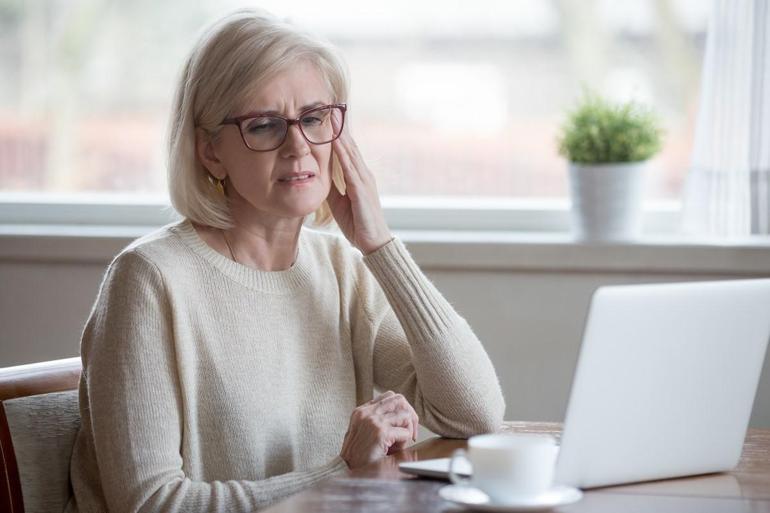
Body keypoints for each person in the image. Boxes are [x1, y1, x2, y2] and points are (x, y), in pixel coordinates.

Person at [66, 8, 505, 513]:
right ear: (210, 151)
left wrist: (379, 244)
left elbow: (475, 415)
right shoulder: (148, 280)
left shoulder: (342, 270)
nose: (299, 147)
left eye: (315, 118)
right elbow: (149, 504)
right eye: (266, 125)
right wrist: (342, 473)